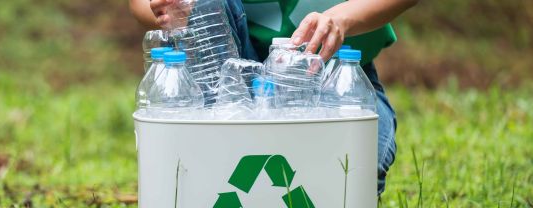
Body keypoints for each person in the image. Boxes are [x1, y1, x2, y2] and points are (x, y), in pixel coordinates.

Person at [129, 0, 418, 195]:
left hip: (336, 76)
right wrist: (174, 9)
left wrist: (340, 19)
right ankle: (215, 155)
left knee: (355, 172)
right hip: (230, 74)